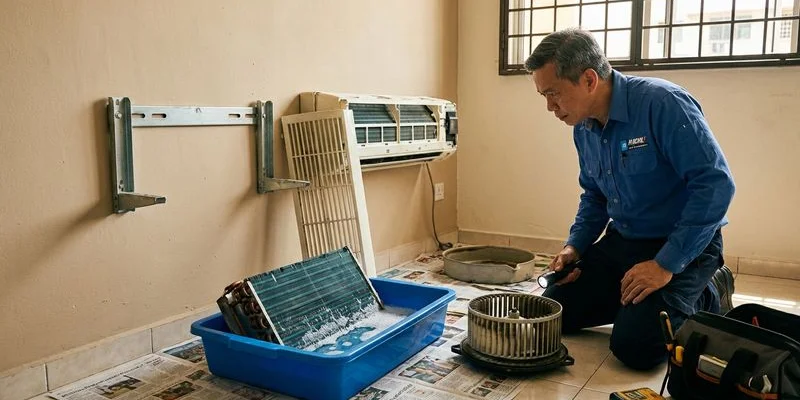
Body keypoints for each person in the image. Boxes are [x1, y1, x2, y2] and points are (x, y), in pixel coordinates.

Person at [525, 28, 736, 371]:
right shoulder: (583, 126)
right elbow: (594, 194)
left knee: (636, 348)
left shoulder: (662, 103)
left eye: (554, 94)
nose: (550, 107)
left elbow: (715, 185)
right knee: (553, 313)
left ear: (589, 79)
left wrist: (665, 265)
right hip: (624, 242)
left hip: (682, 245)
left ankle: (710, 289)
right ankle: (638, 303)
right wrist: (574, 247)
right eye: (543, 96)